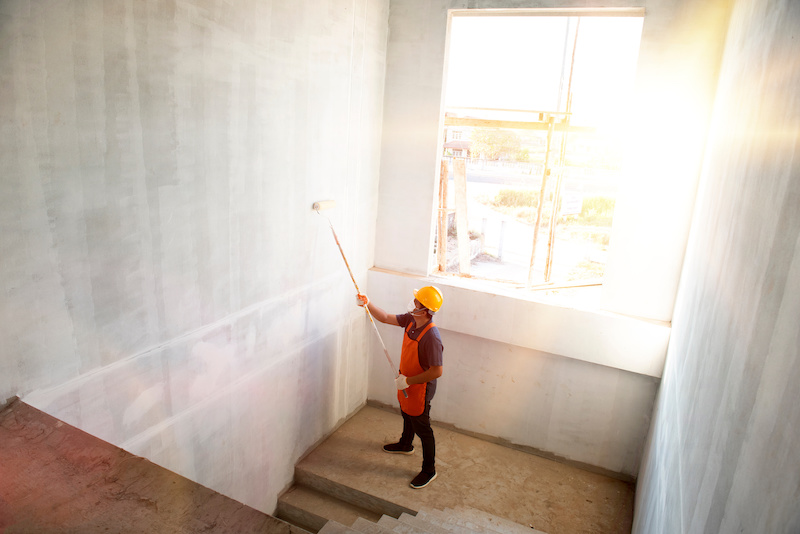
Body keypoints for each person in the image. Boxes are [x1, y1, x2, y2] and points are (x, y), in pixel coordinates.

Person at [356, 286, 444, 489]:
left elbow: (437, 371)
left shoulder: (431, 337)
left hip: (420, 387)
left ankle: (429, 470)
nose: (413, 303)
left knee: (422, 427)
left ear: (425, 310)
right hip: (406, 379)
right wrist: (368, 303)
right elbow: (386, 317)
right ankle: (405, 444)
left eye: (417, 302)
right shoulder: (411, 320)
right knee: (406, 411)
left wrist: (408, 382)